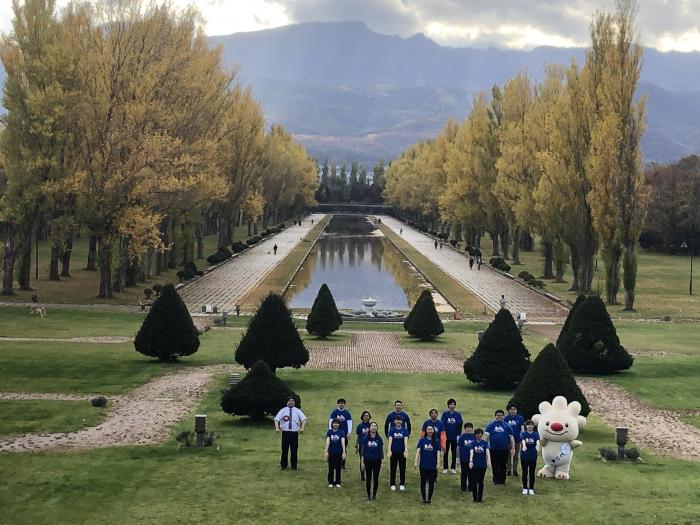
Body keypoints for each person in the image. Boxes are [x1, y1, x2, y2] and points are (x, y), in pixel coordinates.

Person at [274, 397, 307, 470]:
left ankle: (294, 465)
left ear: (294, 403)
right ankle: (283, 465)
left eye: (292, 401)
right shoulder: (283, 410)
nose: (291, 403)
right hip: (285, 432)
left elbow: (304, 419)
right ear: (287, 402)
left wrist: (302, 428)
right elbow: (276, 419)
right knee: (284, 449)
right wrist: (277, 427)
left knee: (294, 450)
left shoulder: (298, 411)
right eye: (289, 401)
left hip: (294, 433)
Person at [484, 409, 514, 484]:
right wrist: (484, 446)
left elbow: (511, 438)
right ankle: (496, 480)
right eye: (498, 415)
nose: (499, 417)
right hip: (493, 449)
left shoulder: (507, 426)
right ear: (495, 416)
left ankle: (502, 480)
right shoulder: (491, 425)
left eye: (501, 415)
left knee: (503, 465)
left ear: (503, 416)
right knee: (495, 465)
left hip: (504, 449)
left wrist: (513, 448)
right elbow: (486, 436)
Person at [414, 425, 441, 504]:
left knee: (431, 482)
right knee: (423, 481)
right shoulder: (422, 440)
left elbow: (438, 452)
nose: (430, 431)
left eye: (431, 429)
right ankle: (423, 498)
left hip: (432, 465)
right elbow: (418, 451)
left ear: (433, 431)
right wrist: (416, 461)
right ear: (426, 431)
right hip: (423, 465)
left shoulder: (436, 441)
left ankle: (429, 499)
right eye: (428, 429)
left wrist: (438, 463)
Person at [361, 422, 384, 501]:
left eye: (375, 426)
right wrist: (362, 462)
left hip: (377, 461)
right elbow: (363, 451)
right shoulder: (365, 438)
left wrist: (382, 462)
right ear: (369, 428)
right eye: (372, 426)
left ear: (377, 428)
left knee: (376, 478)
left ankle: (374, 495)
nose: (374, 427)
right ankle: (368, 495)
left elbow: (381, 451)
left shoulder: (379, 439)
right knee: (368, 478)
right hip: (368, 461)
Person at [441, 399, 463, 474]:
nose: (452, 406)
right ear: (448, 406)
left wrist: (458, 435)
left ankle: (453, 467)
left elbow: (460, 425)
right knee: (445, 452)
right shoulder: (445, 414)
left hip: (454, 437)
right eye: (451, 404)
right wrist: (443, 435)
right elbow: (442, 425)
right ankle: (445, 467)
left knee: (454, 452)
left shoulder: (458, 415)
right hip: (446, 437)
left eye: (453, 404)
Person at [329, 398, 353, 469]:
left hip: (344, 434)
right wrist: (331, 431)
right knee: (335, 448)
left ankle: (343, 463)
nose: (341, 404)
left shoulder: (347, 413)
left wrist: (349, 432)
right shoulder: (334, 412)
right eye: (340, 403)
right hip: (335, 433)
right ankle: (335, 463)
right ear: (337, 404)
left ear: (344, 404)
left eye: (342, 403)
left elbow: (349, 423)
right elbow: (331, 422)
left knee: (343, 448)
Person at [469, 428, 491, 503]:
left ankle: (480, 498)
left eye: (480, 434)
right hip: (475, 465)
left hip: (482, 465)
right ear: (475, 435)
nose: (479, 435)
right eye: (477, 434)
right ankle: (474, 498)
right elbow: (471, 452)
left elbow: (487, 452)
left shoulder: (484, 443)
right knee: (474, 481)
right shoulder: (473, 443)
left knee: (481, 481)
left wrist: (488, 461)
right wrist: (471, 461)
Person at [387, 416, 409, 491]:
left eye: (400, 420)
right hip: (394, 452)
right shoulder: (392, 430)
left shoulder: (405, 430)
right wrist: (389, 450)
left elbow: (405, 441)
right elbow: (390, 441)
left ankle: (402, 483)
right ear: (394, 422)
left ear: (401, 422)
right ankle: (392, 483)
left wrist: (406, 450)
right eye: (397, 420)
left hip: (402, 452)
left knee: (402, 468)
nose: (398, 421)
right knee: (393, 468)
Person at [520, 420, 540, 495]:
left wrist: (537, 445)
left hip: (533, 456)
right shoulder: (523, 433)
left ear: (533, 426)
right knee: (524, 472)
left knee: (532, 472)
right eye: (528, 425)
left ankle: (531, 488)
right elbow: (523, 440)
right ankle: (525, 488)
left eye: (531, 425)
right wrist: (524, 446)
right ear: (526, 426)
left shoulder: (535, 434)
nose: (530, 426)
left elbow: (538, 441)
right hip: (524, 456)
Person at [325, 418, 347, 487]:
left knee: (338, 468)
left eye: (337, 423)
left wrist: (344, 452)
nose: (335, 424)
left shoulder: (341, 432)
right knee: (330, 468)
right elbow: (327, 442)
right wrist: (326, 452)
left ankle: (338, 482)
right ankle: (330, 482)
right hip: (331, 452)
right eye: (334, 423)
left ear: (339, 424)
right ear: (332, 424)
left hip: (339, 452)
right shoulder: (329, 432)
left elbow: (343, 442)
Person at [504, 404, 525, 476]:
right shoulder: (506, 418)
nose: (513, 410)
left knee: (516, 455)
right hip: (508, 440)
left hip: (517, 439)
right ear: (509, 410)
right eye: (511, 409)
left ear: (517, 410)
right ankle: (509, 469)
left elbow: (522, 428)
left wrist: (522, 437)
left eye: (514, 409)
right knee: (509, 455)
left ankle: (515, 470)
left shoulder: (520, 418)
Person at [456, 422, 476, 492]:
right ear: (465, 429)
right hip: (463, 458)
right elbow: (458, 447)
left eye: (470, 428)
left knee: (471, 474)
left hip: (472, 459)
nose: (469, 429)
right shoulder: (462, 437)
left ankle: (471, 487)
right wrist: (458, 458)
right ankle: (463, 487)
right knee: (464, 473)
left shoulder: (474, 436)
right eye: (467, 428)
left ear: (472, 428)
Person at [355, 411, 372, 480]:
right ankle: (362, 475)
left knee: (370, 460)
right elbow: (358, 436)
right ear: (362, 417)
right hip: (362, 446)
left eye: (367, 416)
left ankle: (369, 474)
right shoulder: (359, 426)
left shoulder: (371, 425)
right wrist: (356, 446)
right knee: (362, 460)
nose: (366, 417)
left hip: (370, 446)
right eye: (365, 415)